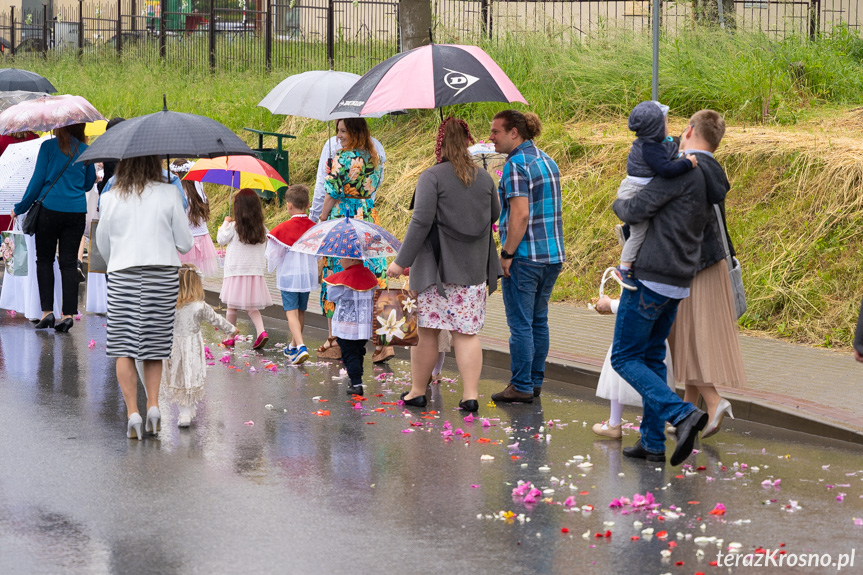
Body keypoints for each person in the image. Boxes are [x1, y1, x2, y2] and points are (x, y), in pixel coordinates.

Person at [609, 109, 724, 466]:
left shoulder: (683, 171)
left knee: (624, 357)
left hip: (652, 274)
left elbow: (634, 210)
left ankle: (682, 413)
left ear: (688, 131)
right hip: (678, 279)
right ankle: (652, 441)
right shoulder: (711, 173)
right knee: (652, 357)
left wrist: (617, 202)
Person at [387, 118, 501, 412]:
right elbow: (495, 213)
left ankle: (417, 392)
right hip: (473, 272)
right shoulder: (485, 178)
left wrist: (401, 262)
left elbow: (421, 221)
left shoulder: (431, 177)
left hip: (434, 273)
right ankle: (470, 395)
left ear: (439, 143)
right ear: (467, 141)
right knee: (466, 334)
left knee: (427, 333)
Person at [95, 154, 193, 440]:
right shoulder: (169, 192)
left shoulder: (111, 197)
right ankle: (153, 406)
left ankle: (133, 414)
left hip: (123, 274)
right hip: (161, 275)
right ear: (154, 163)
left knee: (123, 346)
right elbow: (185, 243)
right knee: (154, 344)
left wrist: (119, 259)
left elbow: (103, 243)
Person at [666, 111, 743, 439]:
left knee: (685, 336)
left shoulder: (691, 168)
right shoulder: (712, 167)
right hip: (713, 262)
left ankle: (713, 401)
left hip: (693, 265)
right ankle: (688, 411)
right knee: (688, 334)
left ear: (689, 130)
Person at [487, 110, 564, 404]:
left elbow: (520, 214)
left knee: (520, 323)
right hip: (552, 254)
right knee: (538, 320)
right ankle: (534, 381)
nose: (491, 137)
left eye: (496, 132)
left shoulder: (516, 165)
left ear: (514, 133)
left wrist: (506, 254)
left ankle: (520, 385)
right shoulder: (547, 160)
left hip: (525, 256)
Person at [316, 118, 393, 364]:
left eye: (342, 131)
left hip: (344, 220)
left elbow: (330, 193)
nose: (338, 136)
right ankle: (382, 343)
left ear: (354, 133)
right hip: (368, 219)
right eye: (338, 131)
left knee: (337, 276)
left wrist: (322, 217)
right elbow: (374, 188)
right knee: (374, 275)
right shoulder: (374, 158)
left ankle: (335, 340)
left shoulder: (340, 158)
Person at [11, 124, 96, 332]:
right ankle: (67, 315)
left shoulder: (48, 147)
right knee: (68, 264)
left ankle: (47, 312)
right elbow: (88, 183)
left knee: (45, 260)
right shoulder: (86, 151)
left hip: (49, 210)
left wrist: (20, 207)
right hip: (76, 212)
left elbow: (37, 182)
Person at [616, 101, 697, 288]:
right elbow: (666, 169)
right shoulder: (650, 148)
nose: (668, 127)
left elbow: (668, 151)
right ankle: (624, 268)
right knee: (639, 233)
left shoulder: (651, 143)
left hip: (636, 189)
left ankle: (627, 229)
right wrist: (687, 163)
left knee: (642, 228)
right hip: (634, 192)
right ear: (656, 128)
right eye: (666, 123)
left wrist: (678, 149)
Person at [591, 291, 675, 439]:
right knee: (653, 375)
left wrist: (611, 304)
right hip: (655, 330)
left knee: (621, 372)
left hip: (637, 330)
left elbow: (640, 305)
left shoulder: (646, 271)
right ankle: (656, 425)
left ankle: (616, 424)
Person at [162, 264, 237, 428]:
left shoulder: (171, 305)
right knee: (191, 377)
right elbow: (216, 319)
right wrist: (232, 329)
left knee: (179, 378)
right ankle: (187, 410)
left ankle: (184, 412)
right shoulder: (200, 306)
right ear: (197, 284)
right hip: (193, 348)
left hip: (174, 346)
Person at [265, 184, 317, 365]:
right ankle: (293, 347)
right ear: (308, 203)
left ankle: (301, 346)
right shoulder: (314, 228)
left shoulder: (282, 229)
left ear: (289, 205)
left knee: (291, 313)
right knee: (301, 311)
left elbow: (273, 256)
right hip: (307, 275)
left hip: (288, 276)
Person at [217, 189, 272, 351]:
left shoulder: (234, 226)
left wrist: (225, 223)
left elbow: (220, 239)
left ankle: (229, 336)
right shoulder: (262, 228)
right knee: (251, 306)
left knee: (232, 306)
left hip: (235, 271)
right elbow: (268, 242)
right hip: (254, 272)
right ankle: (261, 331)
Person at [325, 256, 378, 396]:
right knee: (358, 351)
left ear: (353, 260)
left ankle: (356, 383)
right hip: (363, 325)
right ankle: (356, 379)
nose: (339, 261)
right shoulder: (370, 276)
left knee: (349, 354)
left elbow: (331, 296)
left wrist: (330, 284)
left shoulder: (343, 279)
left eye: (342, 258)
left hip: (346, 325)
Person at [170, 159, 219, 276]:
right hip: (202, 239)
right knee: (196, 277)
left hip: (185, 239)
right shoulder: (198, 191)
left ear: (177, 175)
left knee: (182, 278)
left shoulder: (178, 193)